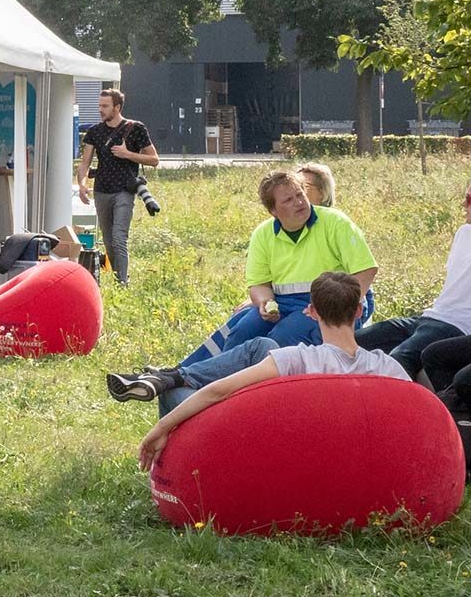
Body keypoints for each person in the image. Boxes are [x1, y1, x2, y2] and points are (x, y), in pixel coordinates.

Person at [132, 272, 406, 471]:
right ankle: (175, 376)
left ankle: (169, 472)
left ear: (311, 312)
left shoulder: (298, 359)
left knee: (175, 394)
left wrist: (160, 428)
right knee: (261, 345)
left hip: (274, 445)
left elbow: (217, 392)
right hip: (344, 449)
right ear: (359, 311)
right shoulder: (386, 366)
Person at [178, 169, 380, 367]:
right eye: (288, 200)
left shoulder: (336, 222)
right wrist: (265, 302)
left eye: (300, 195)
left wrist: (342, 307)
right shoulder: (263, 234)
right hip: (284, 303)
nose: (299, 202)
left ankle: (251, 390)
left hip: (333, 302)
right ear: (273, 210)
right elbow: (259, 284)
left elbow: (366, 270)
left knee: (282, 337)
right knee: (241, 331)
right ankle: (194, 378)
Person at [355, 177, 471, 377]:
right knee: (354, 341)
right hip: (429, 316)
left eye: (469, 199)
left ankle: (403, 408)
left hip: (457, 326)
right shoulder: (463, 233)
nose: (463, 204)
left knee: (399, 359)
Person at [75, 88, 158, 285]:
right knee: (108, 240)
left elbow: (154, 159)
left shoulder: (135, 128)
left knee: (119, 238)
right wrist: (82, 184)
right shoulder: (94, 132)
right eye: (99, 106)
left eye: (105, 106)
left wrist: (127, 153)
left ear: (117, 107)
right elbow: (85, 162)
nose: (100, 110)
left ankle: (123, 282)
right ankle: (115, 276)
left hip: (124, 190)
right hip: (102, 190)